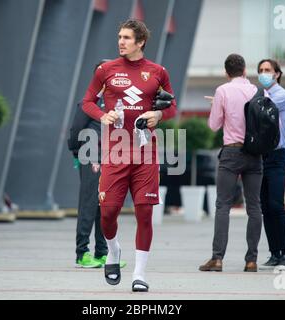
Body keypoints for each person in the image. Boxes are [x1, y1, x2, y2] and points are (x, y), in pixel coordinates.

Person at [82, 19, 177, 292]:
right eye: (119, 37)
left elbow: (171, 106)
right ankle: (113, 250)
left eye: (126, 38)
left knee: (144, 213)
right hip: (115, 151)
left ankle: (140, 274)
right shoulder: (106, 70)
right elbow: (87, 101)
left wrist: (157, 114)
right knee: (108, 213)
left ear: (140, 42)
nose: (121, 41)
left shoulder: (157, 72)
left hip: (146, 152)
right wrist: (103, 115)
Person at [199, 54, 263, 272]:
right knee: (254, 206)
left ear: (227, 73)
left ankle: (217, 258)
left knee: (223, 205)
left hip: (231, 153)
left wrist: (217, 106)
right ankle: (251, 260)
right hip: (255, 154)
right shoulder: (257, 91)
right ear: (245, 70)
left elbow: (214, 125)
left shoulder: (222, 91)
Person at [68, 60, 126, 269]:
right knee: (89, 203)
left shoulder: (119, 102)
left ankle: (103, 253)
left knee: (106, 205)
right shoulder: (90, 102)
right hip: (91, 155)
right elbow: (76, 130)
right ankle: (82, 253)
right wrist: (76, 152)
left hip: (113, 159)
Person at [257, 59, 285, 270]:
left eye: (268, 70)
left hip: (277, 156)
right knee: (265, 208)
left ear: (277, 74)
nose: (264, 74)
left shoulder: (282, 95)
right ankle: (274, 253)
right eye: (261, 70)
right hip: (261, 157)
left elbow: (261, 110)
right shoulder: (259, 96)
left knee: (276, 205)